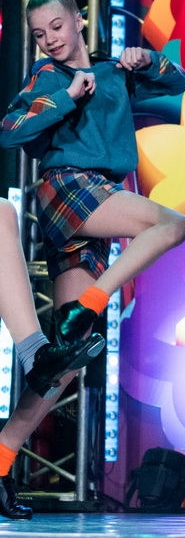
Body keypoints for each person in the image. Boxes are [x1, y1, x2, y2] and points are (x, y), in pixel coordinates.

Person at [0, 0, 185, 519]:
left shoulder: (112, 71)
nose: (50, 39)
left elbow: (179, 84)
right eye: (40, 33)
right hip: (69, 188)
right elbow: (10, 130)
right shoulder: (46, 77)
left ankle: (0, 459)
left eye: (57, 26)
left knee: (61, 361)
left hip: (99, 201)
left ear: (79, 20)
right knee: (172, 224)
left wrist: (147, 60)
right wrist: (66, 96)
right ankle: (91, 303)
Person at [0, 199, 104, 520]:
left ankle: (38, 355)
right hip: (74, 193)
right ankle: (38, 354)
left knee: (2, 212)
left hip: (92, 205)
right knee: (172, 225)